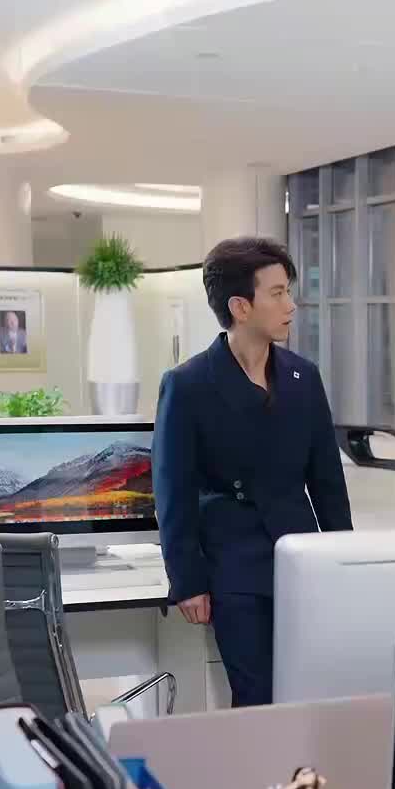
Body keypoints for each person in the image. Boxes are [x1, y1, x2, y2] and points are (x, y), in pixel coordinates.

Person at [153, 237, 351, 707]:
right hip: (233, 562)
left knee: (311, 691)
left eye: (289, 292)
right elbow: (173, 491)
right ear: (240, 307)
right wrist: (188, 581)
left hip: (301, 557)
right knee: (257, 697)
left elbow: (327, 481)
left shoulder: (304, 376)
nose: (291, 305)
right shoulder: (188, 384)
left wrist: (344, 559)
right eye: (277, 293)